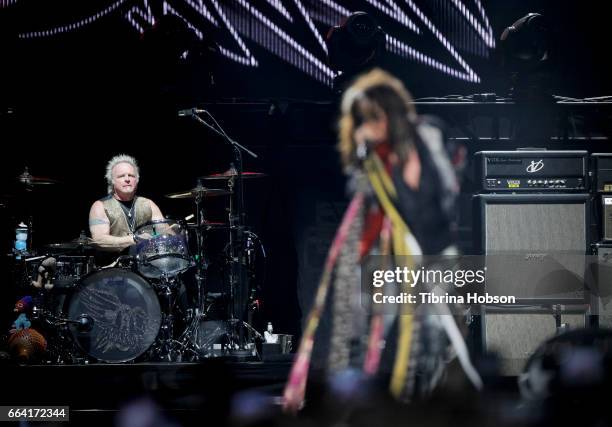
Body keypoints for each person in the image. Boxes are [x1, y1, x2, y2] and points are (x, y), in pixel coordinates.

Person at [284, 69, 480, 413]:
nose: (359, 129)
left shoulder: (425, 138)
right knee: (372, 331)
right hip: (393, 260)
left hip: (429, 256)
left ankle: (448, 408)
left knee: (440, 342)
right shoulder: (370, 159)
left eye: (366, 120)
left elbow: (435, 205)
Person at [89, 154, 165, 253]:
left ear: (136, 180)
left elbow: (165, 232)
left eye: (131, 175)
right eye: (121, 176)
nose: (127, 179)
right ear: (112, 181)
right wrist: (134, 239)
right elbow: (99, 240)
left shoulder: (148, 204)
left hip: (147, 262)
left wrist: (171, 231)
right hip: (114, 265)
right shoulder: (100, 206)